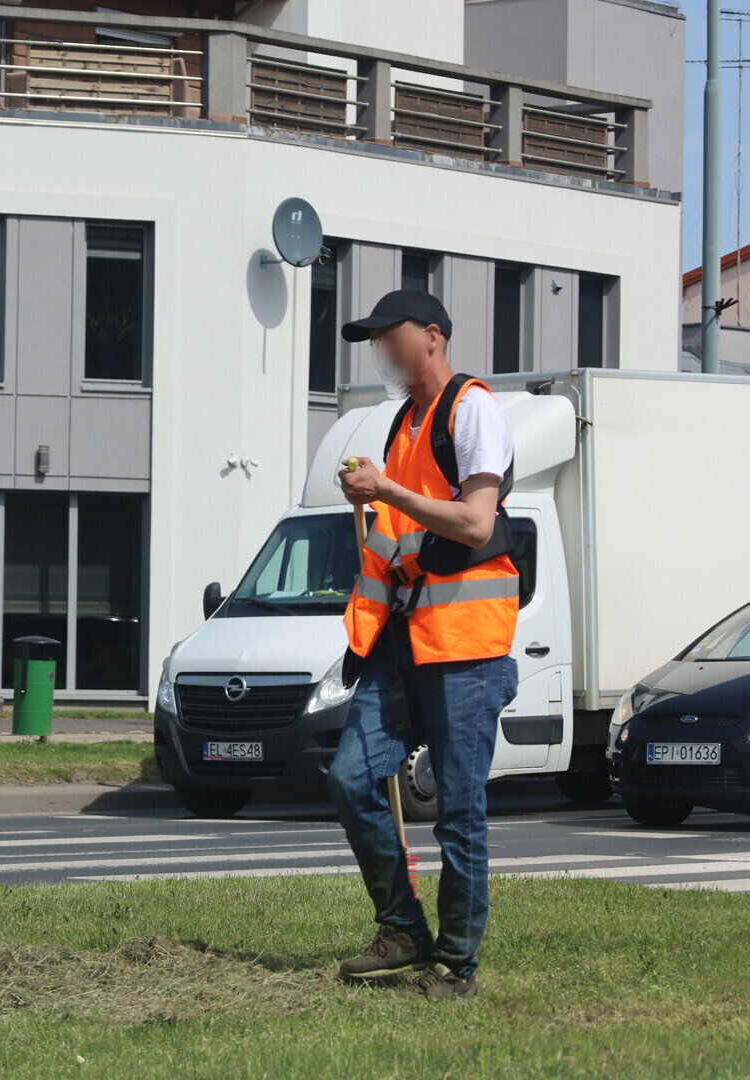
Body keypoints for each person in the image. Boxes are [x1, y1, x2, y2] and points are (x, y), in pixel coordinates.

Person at [329, 290, 520, 1000]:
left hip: (466, 646)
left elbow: (475, 524)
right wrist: (371, 496)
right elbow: (398, 538)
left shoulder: (472, 409)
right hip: (403, 641)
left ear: (432, 337)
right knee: (351, 779)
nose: (380, 349)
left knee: (458, 813)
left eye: (390, 335)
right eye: (373, 339)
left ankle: (457, 966)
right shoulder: (402, 423)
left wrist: (386, 490)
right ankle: (404, 929)